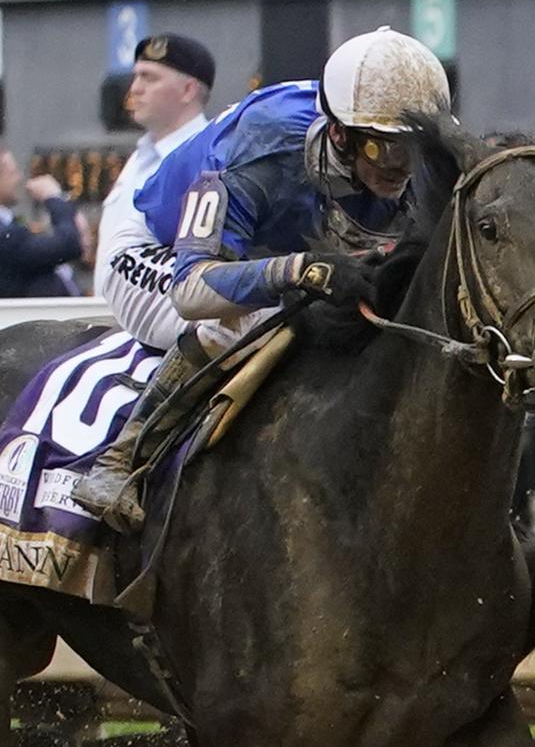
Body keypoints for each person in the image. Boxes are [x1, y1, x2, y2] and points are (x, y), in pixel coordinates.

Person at [75, 27, 448, 532]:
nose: (401, 171)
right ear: (339, 133)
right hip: (159, 250)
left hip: (263, 248)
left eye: (414, 151)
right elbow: (192, 290)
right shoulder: (264, 144)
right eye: (385, 152)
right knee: (248, 318)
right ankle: (121, 462)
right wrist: (299, 270)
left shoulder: (395, 149)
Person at [94, 33, 215, 346]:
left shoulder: (211, 157)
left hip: (166, 340)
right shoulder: (140, 156)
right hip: (112, 335)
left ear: (188, 89)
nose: (134, 89)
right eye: (136, 77)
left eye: (149, 78)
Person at [0, 146, 83, 299]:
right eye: (12, 172)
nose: (19, 178)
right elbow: (69, 245)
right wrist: (53, 197)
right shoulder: (1, 237)